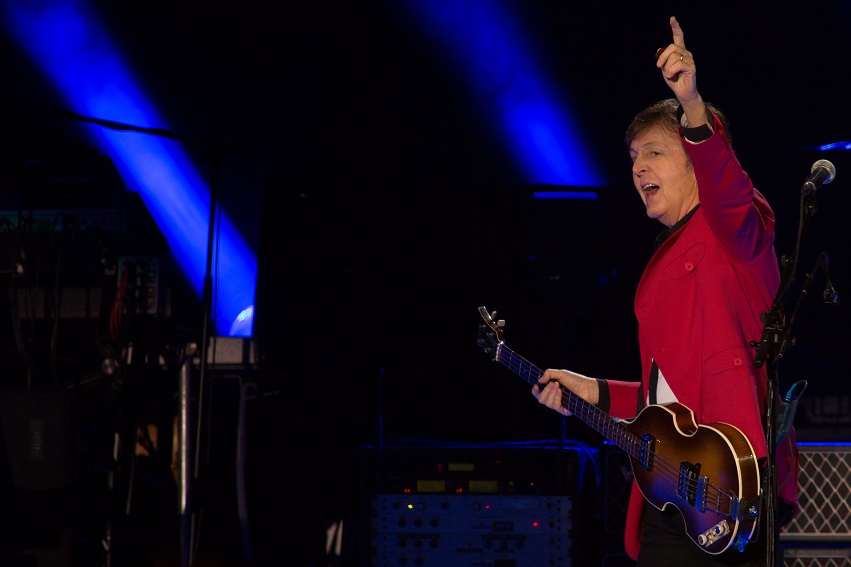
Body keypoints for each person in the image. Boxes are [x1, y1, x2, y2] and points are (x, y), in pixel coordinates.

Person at [532, 16, 798, 567]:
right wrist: (591, 390)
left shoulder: (735, 232)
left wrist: (692, 104)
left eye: (652, 152)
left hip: (727, 486)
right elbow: (667, 405)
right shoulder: (662, 260)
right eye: (632, 159)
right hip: (673, 495)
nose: (637, 168)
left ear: (695, 161)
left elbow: (727, 189)